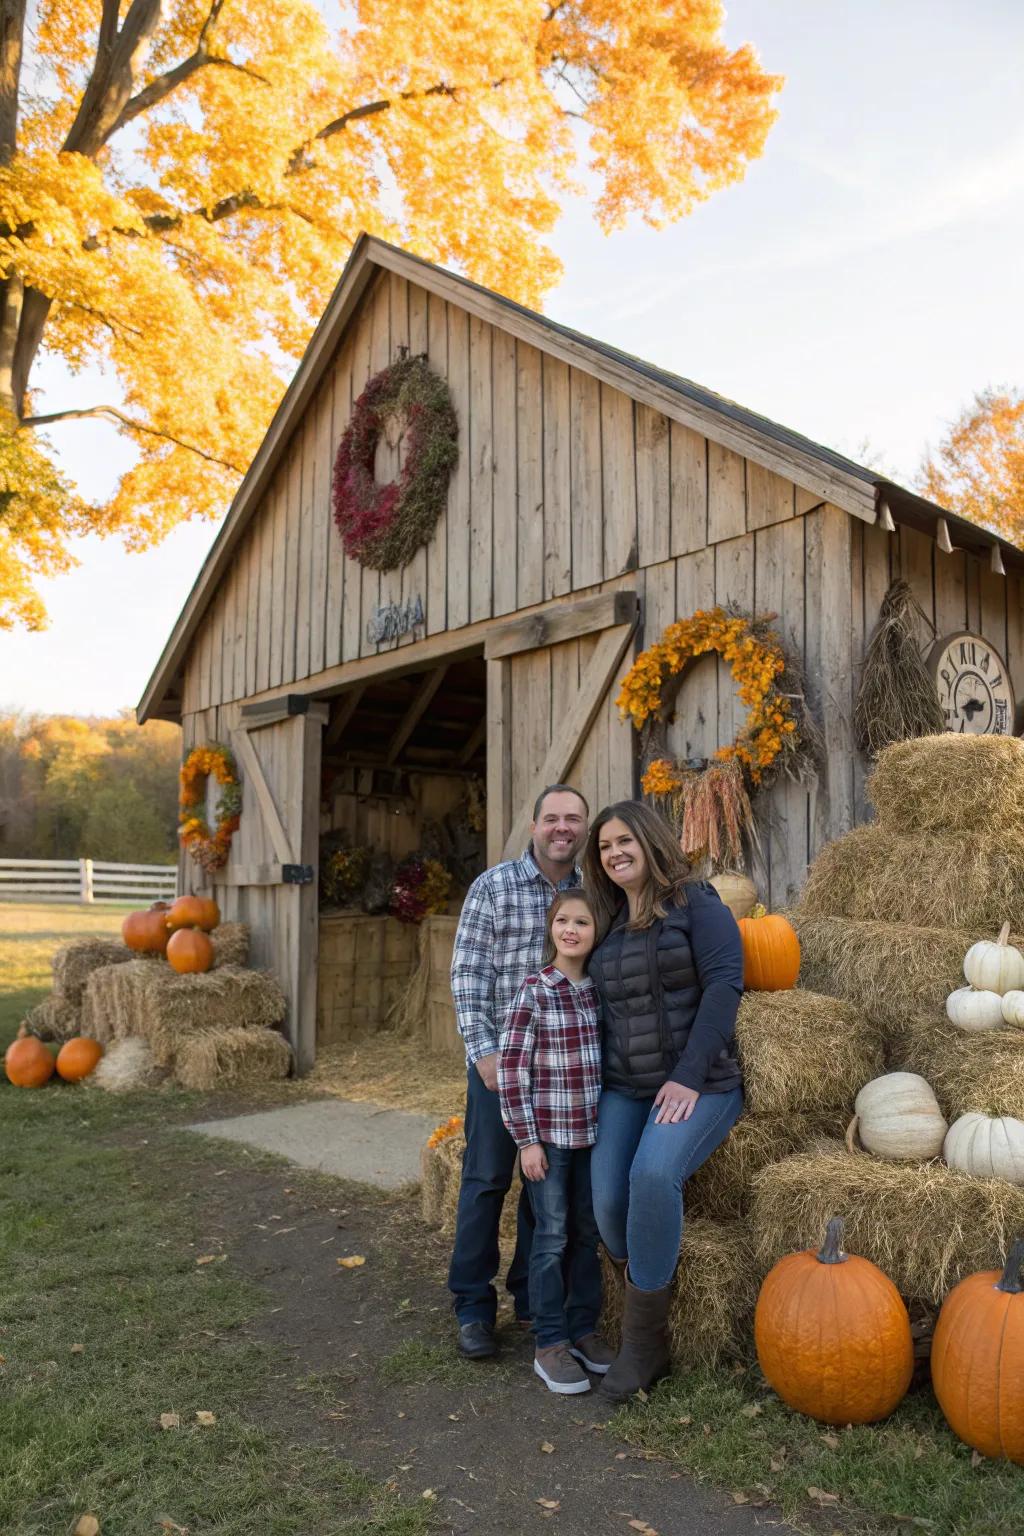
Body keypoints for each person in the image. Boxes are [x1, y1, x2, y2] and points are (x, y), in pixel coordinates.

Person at [584, 800, 745, 1402]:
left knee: (653, 1176)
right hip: (627, 1086)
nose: (615, 853)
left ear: (650, 842)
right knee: (606, 1200)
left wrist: (688, 1075)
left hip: (700, 1083)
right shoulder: (602, 921)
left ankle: (644, 1347)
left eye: (624, 840)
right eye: (604, 847)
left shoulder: (697, 904)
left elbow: (725, 985)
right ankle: (644, 1299)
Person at [448, 784, 589, 1360]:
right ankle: (472, 1307)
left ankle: (532, 1299)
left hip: (559, 1076)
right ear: (534, 826)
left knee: (545, 1191)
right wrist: (485, 1056)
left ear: (583, 828)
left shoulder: (591, 893)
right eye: (552, 818)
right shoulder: (494, 887)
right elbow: (466, 974)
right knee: (485, 1183)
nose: (562, 828)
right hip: (498, 1071)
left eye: (573, 819)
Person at [498, 889, 614, 1394]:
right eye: (563, 921)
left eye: (582, 922)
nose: (571, 930)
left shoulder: (598, 992)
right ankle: (549, 1342)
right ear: (551, 928)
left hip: (593, 1138)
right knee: (551, 1238)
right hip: (550, 1138)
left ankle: (583, 1328)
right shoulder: (535, 991)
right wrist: (527, 1141)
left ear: (596, 932)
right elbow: (511, 1071)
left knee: (588, 1236)